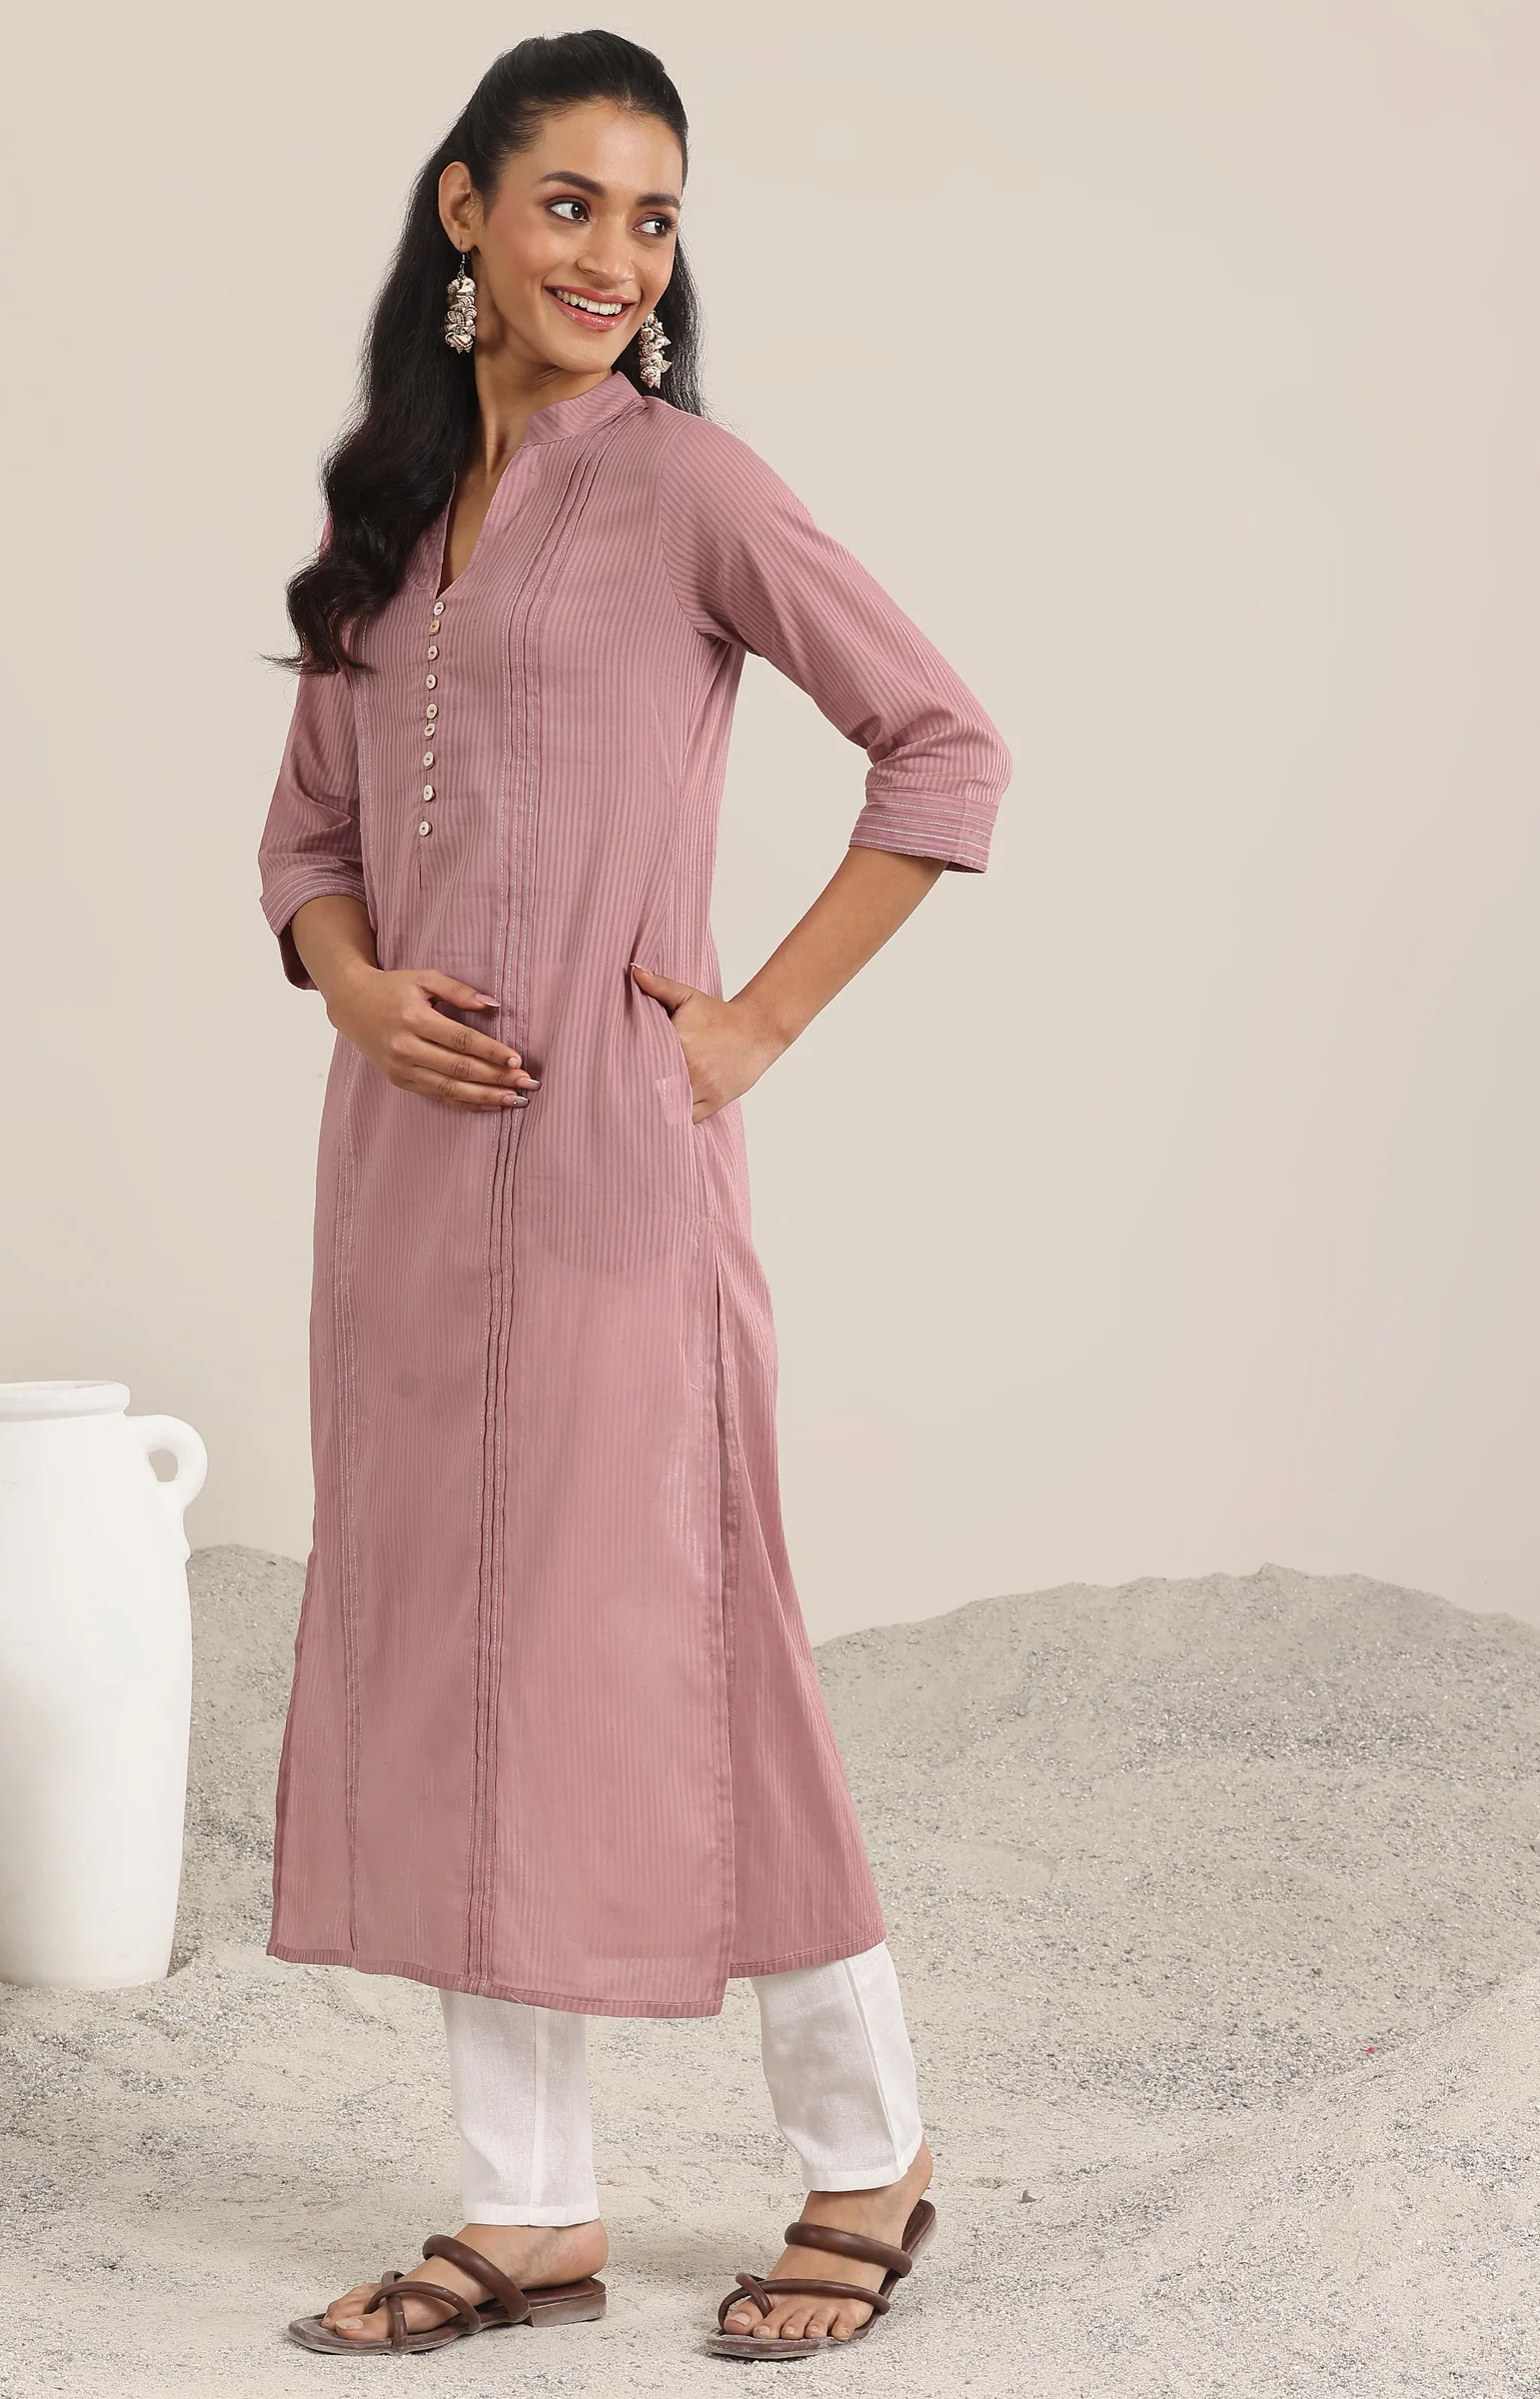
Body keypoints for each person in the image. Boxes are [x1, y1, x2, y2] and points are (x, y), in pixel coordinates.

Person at [255, 29, 1012, 2362]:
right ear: (465, 210)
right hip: (404, 1196)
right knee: (459, 1659)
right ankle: (528, 2210)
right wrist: (355, 985)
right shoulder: (392, 514)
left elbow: (942, 744)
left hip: (609, 1187)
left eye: (655, 216)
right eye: (571, 202)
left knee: (697, 1644)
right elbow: (308, 842)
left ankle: (867, 2155)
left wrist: (750, 1025)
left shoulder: (689, 486)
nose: (615, 255)